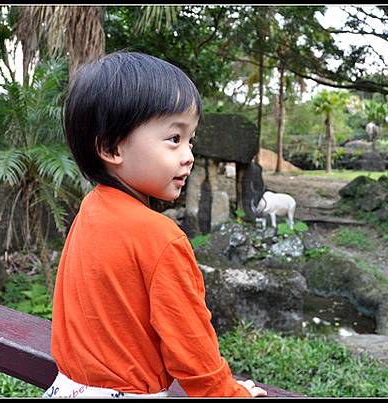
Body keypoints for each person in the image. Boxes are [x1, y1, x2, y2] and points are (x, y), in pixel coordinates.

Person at [42, 51, 266, 398]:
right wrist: (231, 393)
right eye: (174, 139)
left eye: (190, 139)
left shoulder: (92, 210)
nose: (189, 154)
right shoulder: (160, 236)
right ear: (112, 147)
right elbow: (191, 348)